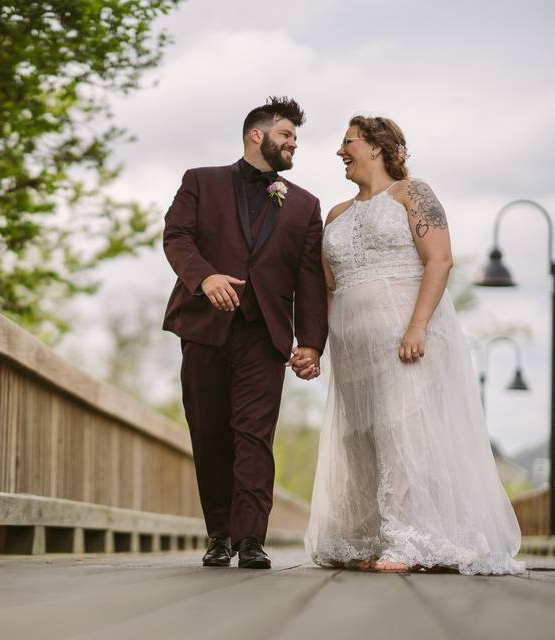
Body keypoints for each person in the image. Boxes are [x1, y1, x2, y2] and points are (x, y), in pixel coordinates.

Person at [304, 115, 524, 575]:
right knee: (359, 436)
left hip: (407, 339)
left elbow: (439, 260)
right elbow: (328, 287)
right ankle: (370, 536)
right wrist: (318, 346)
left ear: (378, 147)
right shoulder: (336, 214)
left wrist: (417, 326)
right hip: (352, 347)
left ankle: (409, 539)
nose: (340, 152)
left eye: (348, 143)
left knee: (402, 432)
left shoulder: (413, 193)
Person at [162, 97, 327, 569]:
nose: (294, 143)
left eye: (295, 137)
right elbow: (177, 237)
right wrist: (205, 277)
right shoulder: (201, 181)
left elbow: (310, 278)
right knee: (209, 431)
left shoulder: (304, 205)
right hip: (204, 328)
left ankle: (252, 539)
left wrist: (311, 342)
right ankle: (219, 534)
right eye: (287, 135)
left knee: (255, 435)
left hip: (265, 335)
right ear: (258, 135)